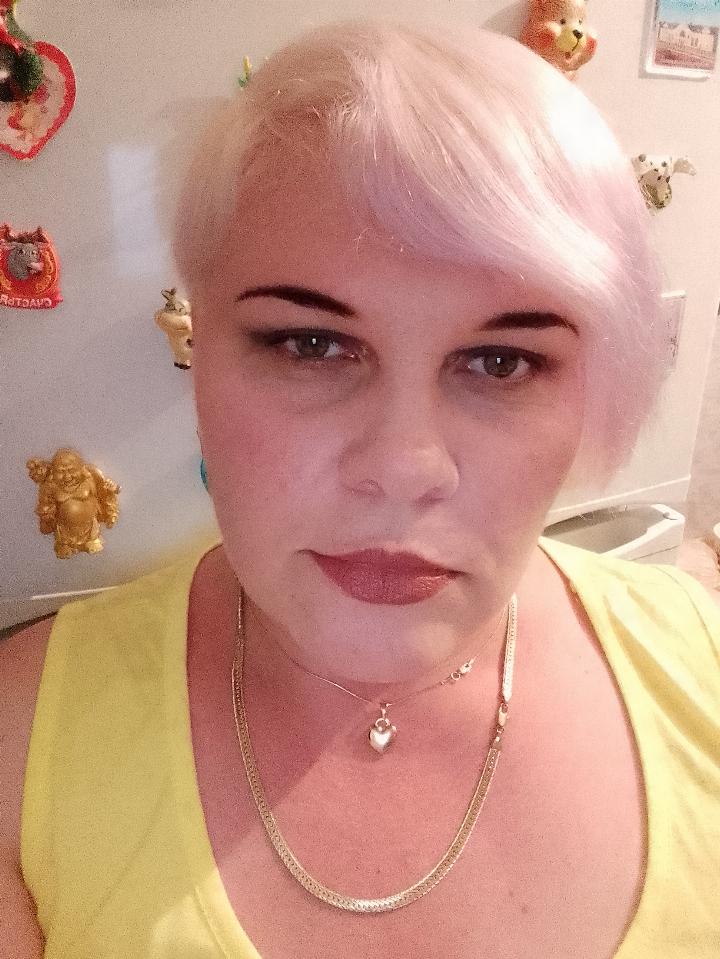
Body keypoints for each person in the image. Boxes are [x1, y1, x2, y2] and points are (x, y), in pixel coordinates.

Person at [1, 19, 718, 959]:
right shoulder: (22, 744)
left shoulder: (703, 669)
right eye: (311, 344)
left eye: (501, 361)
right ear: (199, 347)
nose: (406, 465)